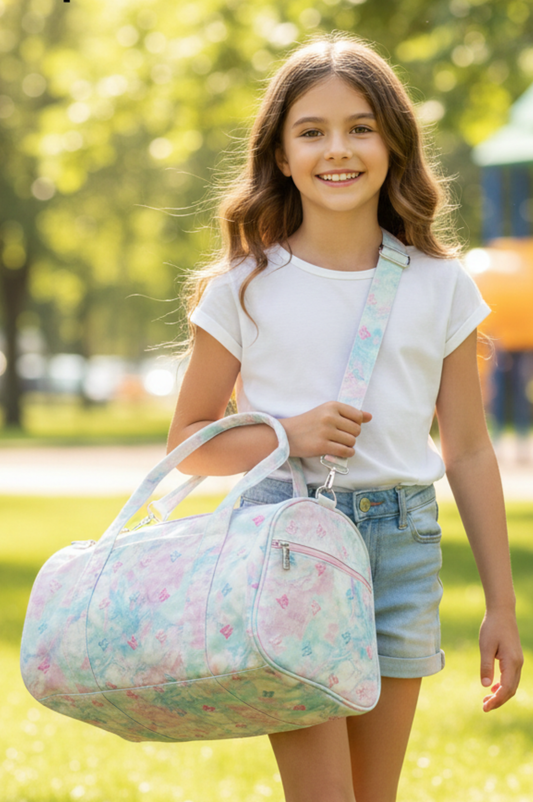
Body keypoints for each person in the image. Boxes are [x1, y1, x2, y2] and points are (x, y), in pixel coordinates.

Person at [166, 34, 523, 802]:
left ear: (393, 143)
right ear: (281, 154)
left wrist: (501, 605)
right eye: (312, 131)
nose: (337, 149)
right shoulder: (243, 287)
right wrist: (284, 434)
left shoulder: (441, 285)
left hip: (402, 546)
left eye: (360, 127)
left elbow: (467, 450)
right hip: (287, 545)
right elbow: (188, 444)